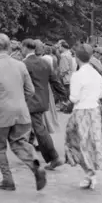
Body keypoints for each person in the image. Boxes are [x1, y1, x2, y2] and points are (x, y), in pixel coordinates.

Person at [0, 34, 47, 192]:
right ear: (8, 47)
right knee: (19, 144)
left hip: (0, 114)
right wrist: (20, 101)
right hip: (21, 112)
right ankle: (35, 166)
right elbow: (31, 90)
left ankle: (7, 179)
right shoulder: (20, 65)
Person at [21, 38, 67, 171]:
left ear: (25, 47)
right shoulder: (45, 63)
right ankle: (28, 153)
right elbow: (55, 81)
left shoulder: (24, 64)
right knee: (30, 127)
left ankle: (54, 157)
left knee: (39, 129)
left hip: (30, 101)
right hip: (42, 100)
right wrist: (64, 96)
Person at [64, 44, 102, 190]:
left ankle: (89, 173)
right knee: (91, 142)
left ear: (76, 57)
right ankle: (91, 172)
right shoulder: (96, 74)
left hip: (81, 111)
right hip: (94, 110)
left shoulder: (77, 75)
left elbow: (74, 97)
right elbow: (101, 94)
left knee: (76, 142)